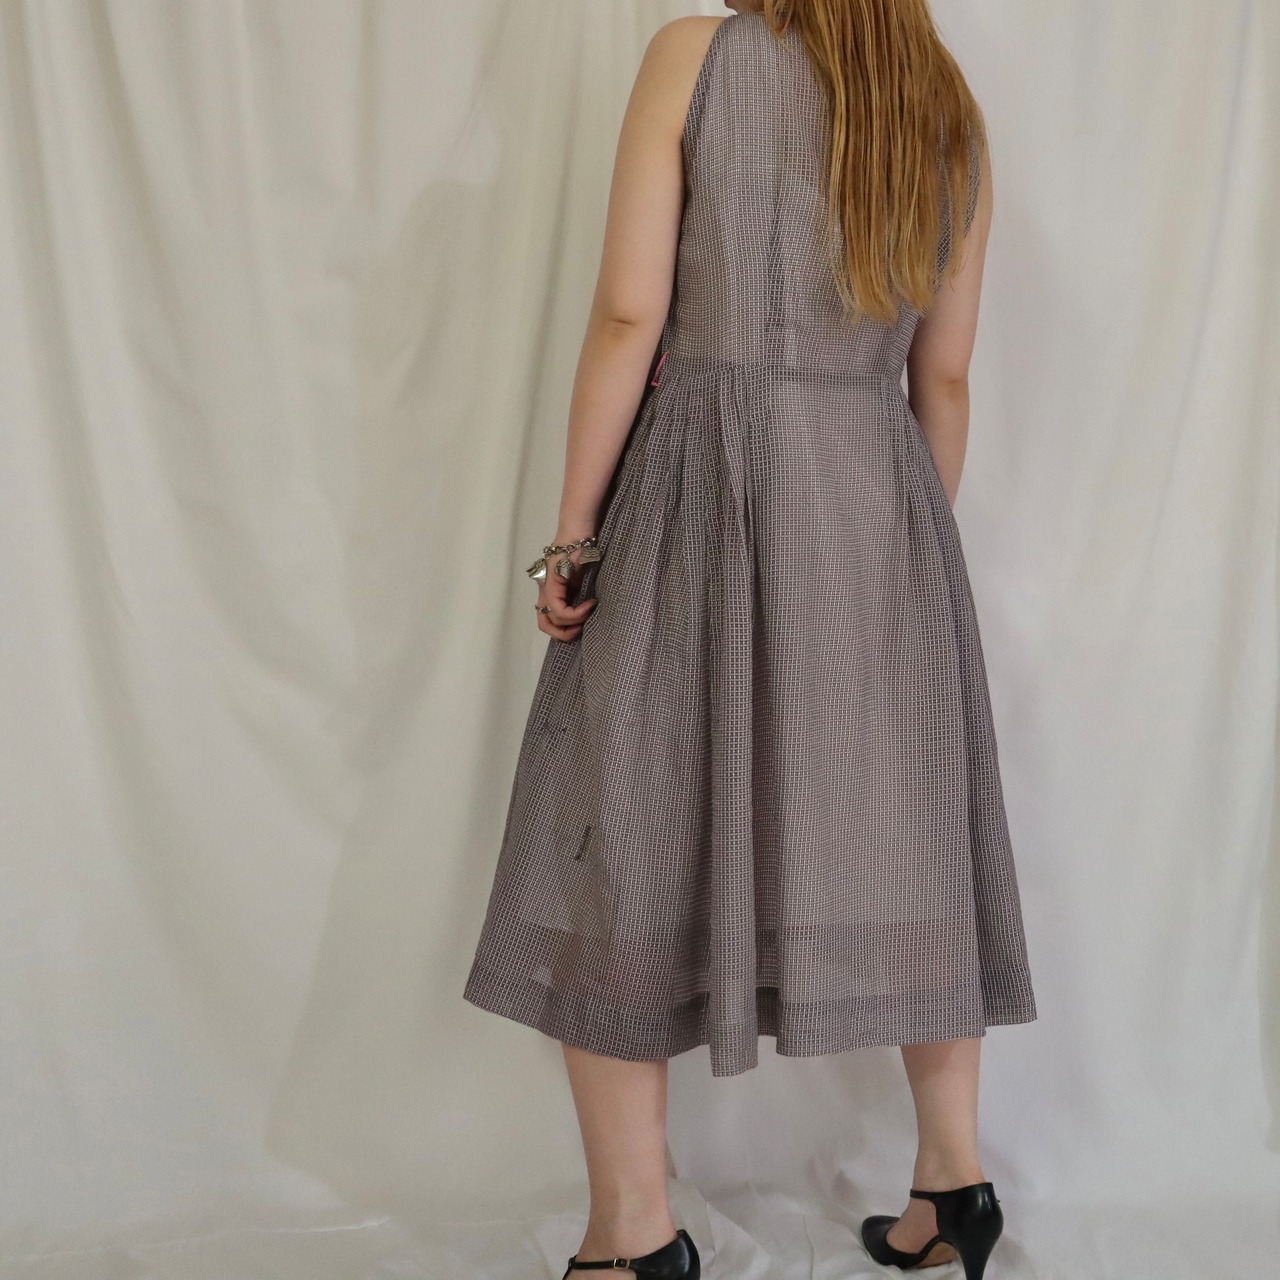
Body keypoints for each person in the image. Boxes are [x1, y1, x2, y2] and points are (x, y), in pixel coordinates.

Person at [462, 1, 1038, 1276]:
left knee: (616, 836)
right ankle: (951, 1181)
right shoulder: (944, 105)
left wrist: (573, 533)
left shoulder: (697, 55)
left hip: (700, 492)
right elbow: (942, 377)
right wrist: (894, 554)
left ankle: (633, 1233)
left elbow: (630, 315)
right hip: (879, 503)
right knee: (906, 844)